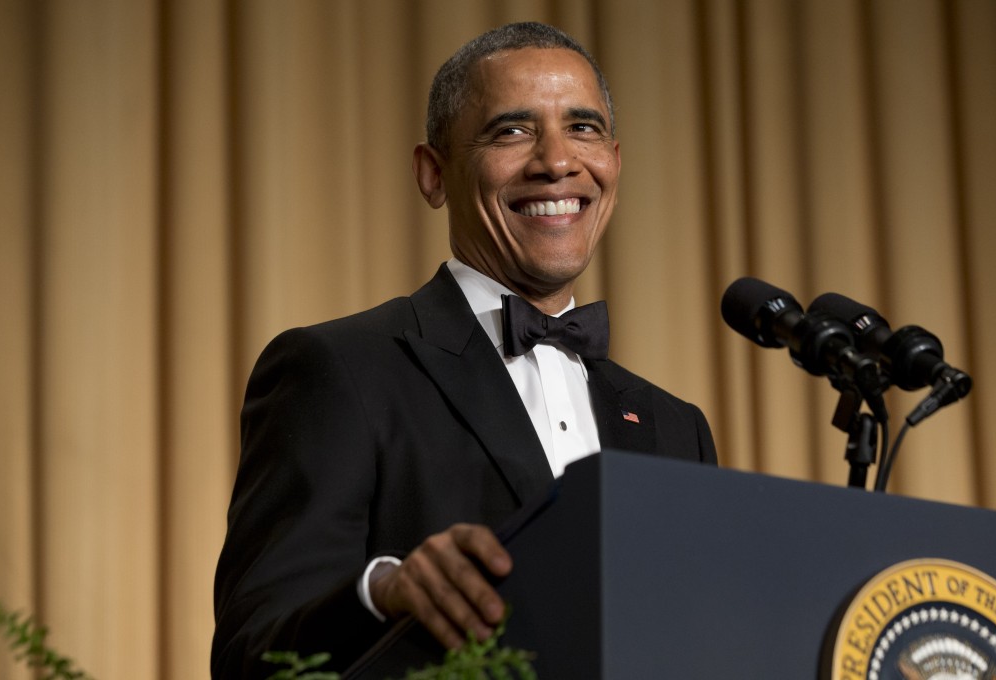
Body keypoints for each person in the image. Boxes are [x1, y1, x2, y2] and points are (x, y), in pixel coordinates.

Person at [211, 21, 717, 678]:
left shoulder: (677, 428)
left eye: (583, 128)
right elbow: (254, 651)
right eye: (512, 130)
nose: (557, 160)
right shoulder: (337, 370)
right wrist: (380, 593)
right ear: (432, 174)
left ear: (614, 163)